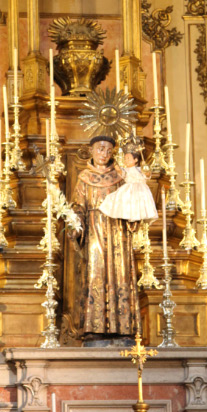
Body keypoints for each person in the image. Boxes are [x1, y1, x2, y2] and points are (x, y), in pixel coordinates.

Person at [70, 135, 140, 341]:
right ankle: (94, 327)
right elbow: (78, 206)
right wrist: (76, 225)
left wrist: (134, 215)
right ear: (91, 151)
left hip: (117, 230)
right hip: (94, 230)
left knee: (120, 272)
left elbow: (131, 201)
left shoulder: (120, 176)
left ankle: (123, 327)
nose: (104, 154)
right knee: (95, 273)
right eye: (100, 149)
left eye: (109, 151)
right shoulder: (84, 177)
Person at [99, 142, 157, 223]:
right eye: (125, 159)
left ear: (135, 160)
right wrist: (115, 164)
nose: (126, 160)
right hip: (128, 189)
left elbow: (147, 175)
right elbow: (120, 171)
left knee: (139, 206)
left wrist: (146, 168)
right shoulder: (125, 170)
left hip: (141, 190)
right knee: (122, 201)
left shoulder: (139, 169)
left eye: (129, 158)